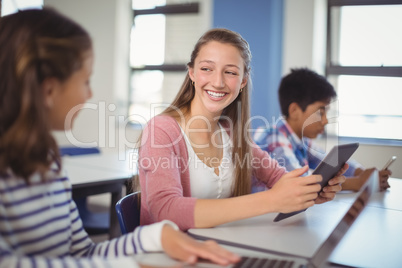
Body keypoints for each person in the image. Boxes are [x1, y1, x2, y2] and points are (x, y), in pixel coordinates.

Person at [0, 8, 240, 268]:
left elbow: (83, 255)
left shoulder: (46, 163)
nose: (89, 94)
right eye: (86, 81)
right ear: (48, 90)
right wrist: (136, 265)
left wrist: (157, 237)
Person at [137, 28, 347, 231]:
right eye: (206, 69)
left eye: (230, 72)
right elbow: (165, 211)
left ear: (243, 81)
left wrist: (309, 191)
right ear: (192, 72)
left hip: (220, 247)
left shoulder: (229, 132)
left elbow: (277, 176)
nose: (218, 82)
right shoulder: (160, 130)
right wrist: (270, 200)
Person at [253, 68, 391, 193]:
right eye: (320, 112)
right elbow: (299, 183)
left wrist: (363, 173)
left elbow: (329, 163)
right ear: (294, 111)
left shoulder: (300, 140)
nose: (325, 121)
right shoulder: (273, 137)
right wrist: (359, 182)